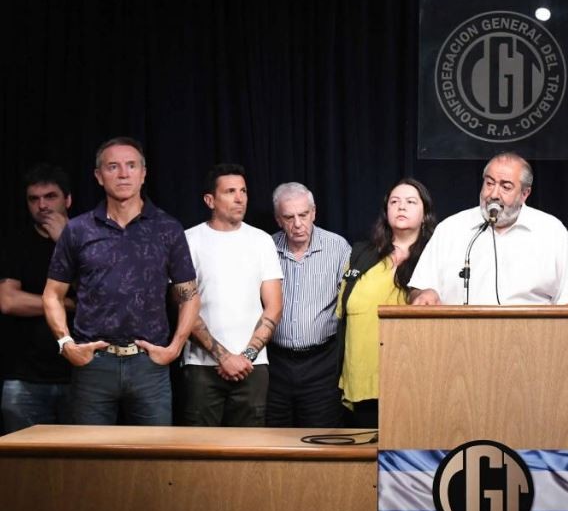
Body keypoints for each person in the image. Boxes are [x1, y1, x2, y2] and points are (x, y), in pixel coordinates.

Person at [42, 137, 200, 425]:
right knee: (89, 452)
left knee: (153, 452)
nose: (123, 174)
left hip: (149, 365)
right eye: (113, 167)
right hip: (93, 364)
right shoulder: (78, 229)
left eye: (131, 165)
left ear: (143, 173)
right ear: (98, 176)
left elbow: (189, 294)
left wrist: (175, 348)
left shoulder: (167, 228)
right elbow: (52, 294)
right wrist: (66, 344)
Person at [409, 152, 568, 305]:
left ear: (525, 194)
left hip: (532, 333)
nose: (493, 194)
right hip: (458, 333)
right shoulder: (450, 229)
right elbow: (418, 289)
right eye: (489, 183)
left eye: (505, 187)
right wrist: (424, 294)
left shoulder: (551, 231)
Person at [181, 165, 283, 426]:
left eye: (243, 191)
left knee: (250, 448)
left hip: (252, 366)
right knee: (199, 446)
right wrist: (224, 357)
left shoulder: (261, 241)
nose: (240, 198)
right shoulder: (188, 240)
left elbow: (274, 306)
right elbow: (183, 307)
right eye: (230, 192)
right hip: (201, 366)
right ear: (210, 200)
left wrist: (246, 356)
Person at [337, 178, 436, 428]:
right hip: (362, 378)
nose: (401, 207)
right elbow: (342, 310)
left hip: (414, 379)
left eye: (410, 202)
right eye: (394, 202)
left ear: (425, 214)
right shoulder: (361, 253)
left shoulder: (437, 257)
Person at [267, 182, 351, 427]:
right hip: (275, 364)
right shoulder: (266, 247)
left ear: (313, 213)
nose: (297, 224)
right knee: (274, 437)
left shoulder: (338, 247)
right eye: (288, 217)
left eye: (303, 215)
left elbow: (350, 302)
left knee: (321, 438)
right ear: (278, 220)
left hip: (321, 363)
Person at [0, 165, 75, 432]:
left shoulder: (89, 239)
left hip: (81, 377)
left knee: (82, 457)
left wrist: (65, 243)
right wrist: (67, 303)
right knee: (25, 458)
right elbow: (8, 301)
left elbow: (98, 297)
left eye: (50, 196)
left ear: (67, 199)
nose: (42, 205)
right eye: (34, 199)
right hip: (24, 377)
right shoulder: (16, 243)